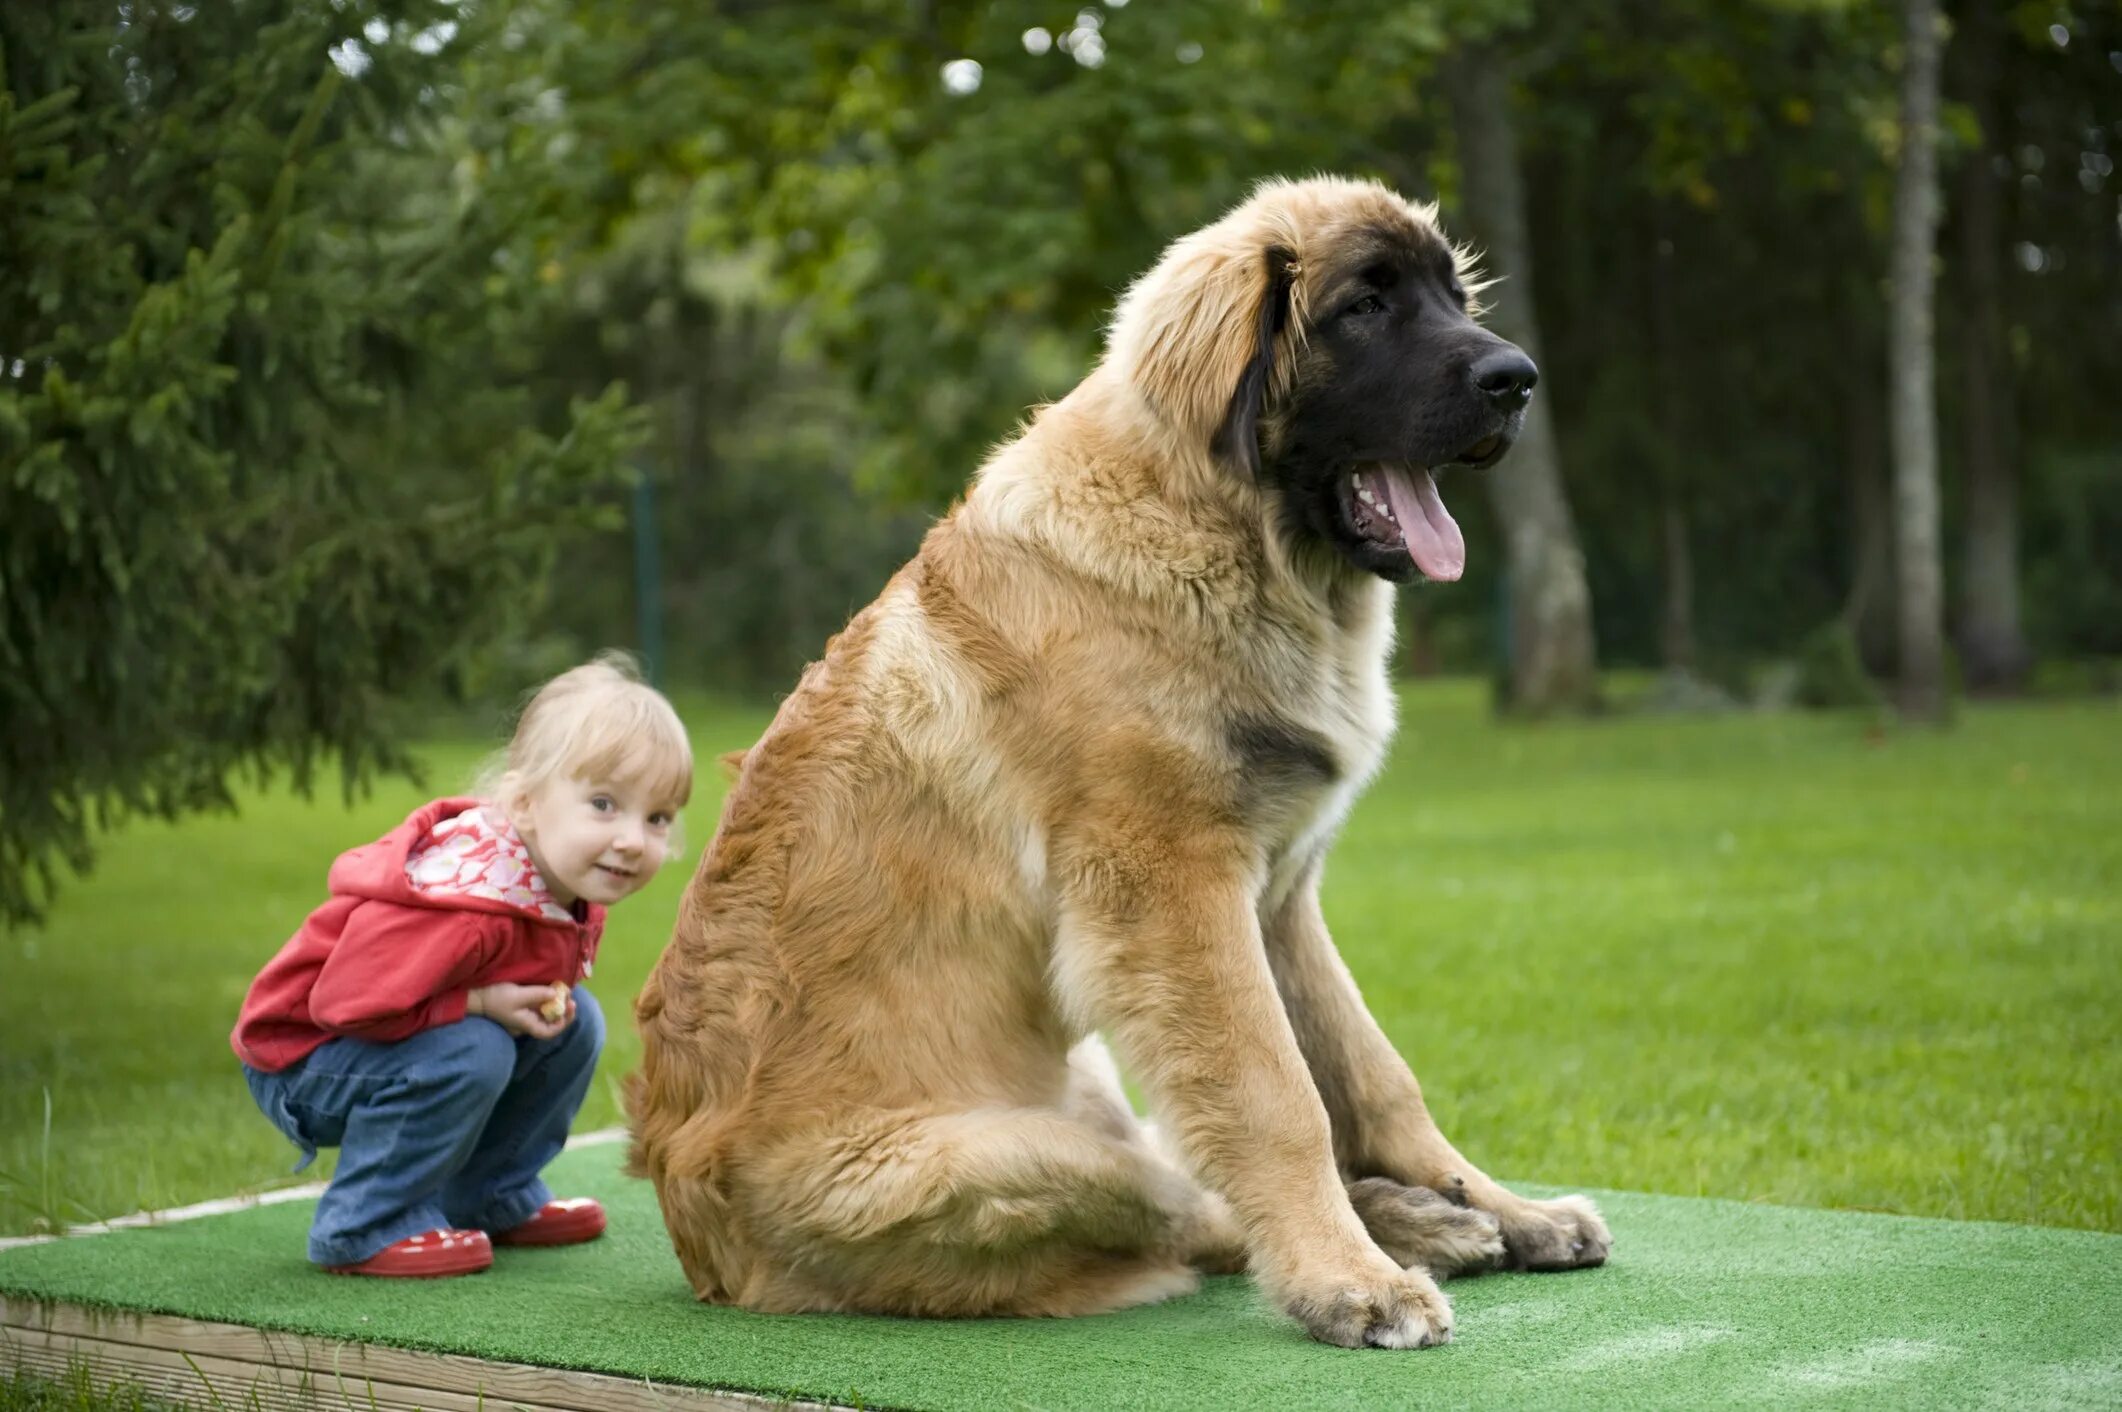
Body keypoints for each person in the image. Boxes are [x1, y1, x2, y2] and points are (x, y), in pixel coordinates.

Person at [231, 654, 692, 1277]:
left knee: (576, 1022)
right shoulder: (470, 904)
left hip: (389, 1040)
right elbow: (343, 1003)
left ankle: (489, 1195)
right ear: (526, 804)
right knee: (477, 1047)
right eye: (604, 804)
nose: (634, 839)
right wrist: (477, 1005)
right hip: (305, 1059)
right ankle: (363, 1224)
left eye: (656, 817)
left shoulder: (559, 886)